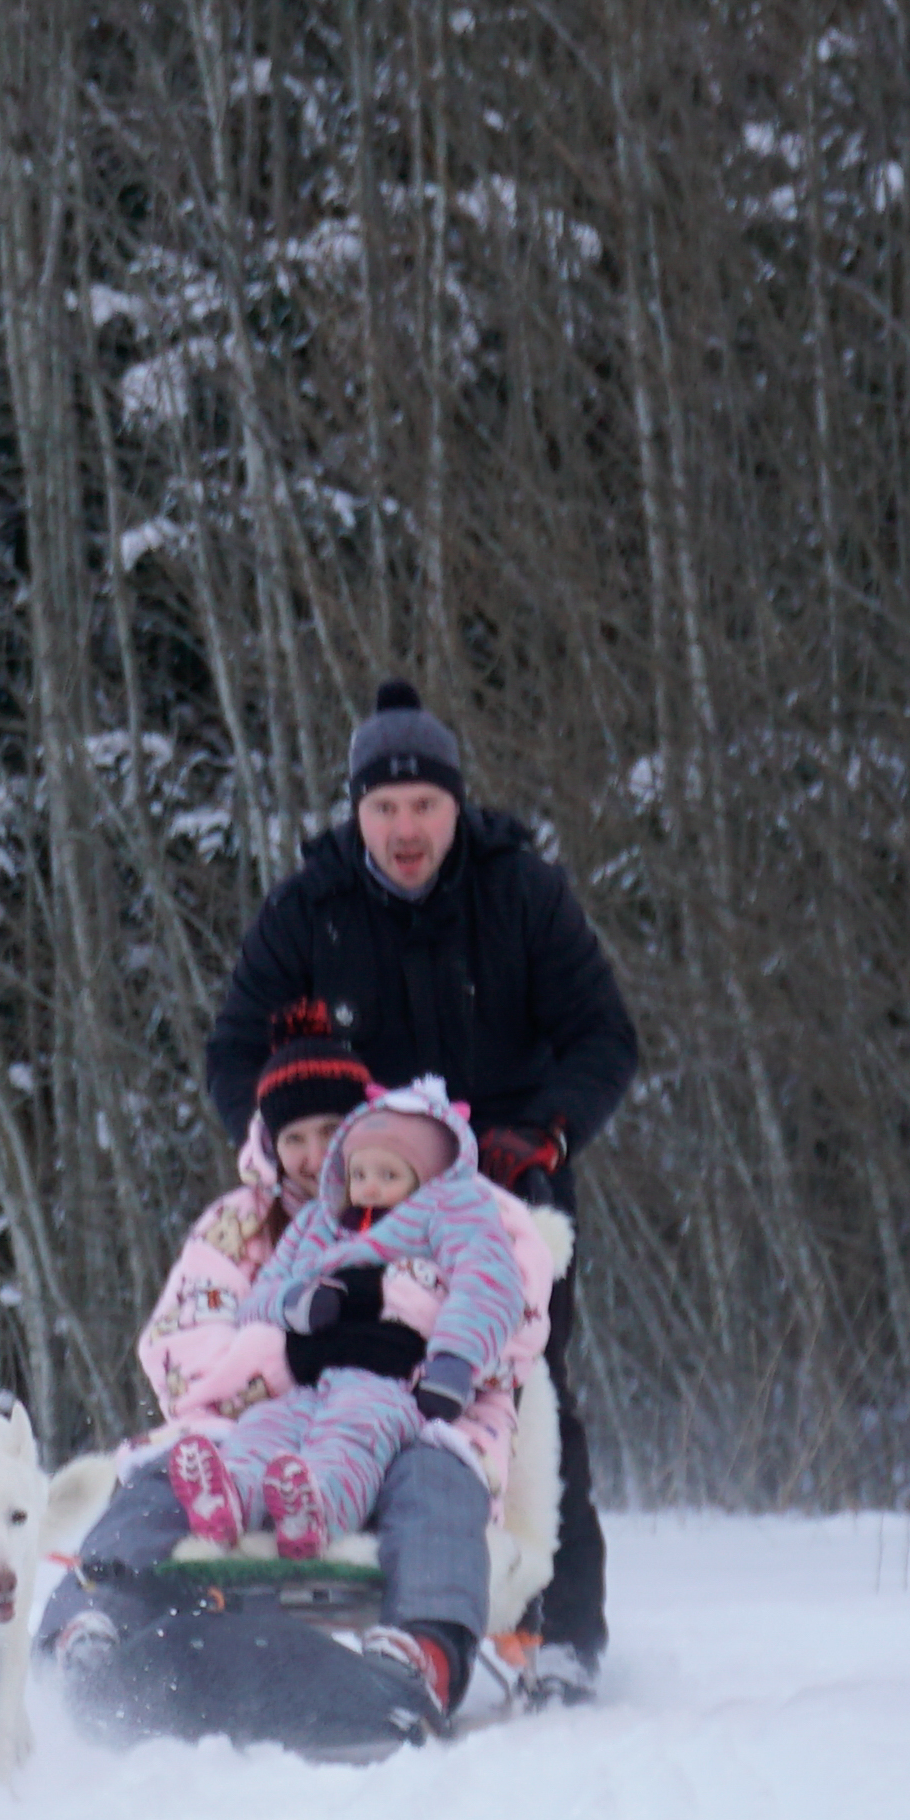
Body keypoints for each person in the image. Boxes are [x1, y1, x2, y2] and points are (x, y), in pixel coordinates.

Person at [196, 681, 639, 1699]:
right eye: (384, 809)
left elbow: (604, 1037)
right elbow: (235, 1052)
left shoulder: (520, 890)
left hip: (504, 1199)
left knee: (520, 1402)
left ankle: (555, 1633)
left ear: (456, 806)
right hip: (349, 1210)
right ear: (356, 814)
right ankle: (304, 1606)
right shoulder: (308, 909)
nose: (405, 829)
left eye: (424, 806)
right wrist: (282, 1147)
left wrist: (544, 1133)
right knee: (317, 1392)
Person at [158, 1089, 545, 1716]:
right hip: (308, 1376)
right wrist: (299, 1307)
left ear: (426, 1175)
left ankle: (320, 1506)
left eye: (387, 1175)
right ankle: (234, 1496)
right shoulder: (320, 1220)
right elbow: (264, 1294)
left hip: (391, 1380)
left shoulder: (453, 1209)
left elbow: (489, 1283)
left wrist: (451, 1360)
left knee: (353, 1434)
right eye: (358, 1173)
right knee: (264, 1427)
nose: (367, 1188)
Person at [133, 998, 365, 1433]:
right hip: (247, 1437)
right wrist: (296, 1360)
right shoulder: (240, 1225)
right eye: (295, 1139)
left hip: (377, 1429)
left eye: (332, 1131)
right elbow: (183, 1349)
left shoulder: (410, 1204)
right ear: (271, 1145)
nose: (316, 1158)